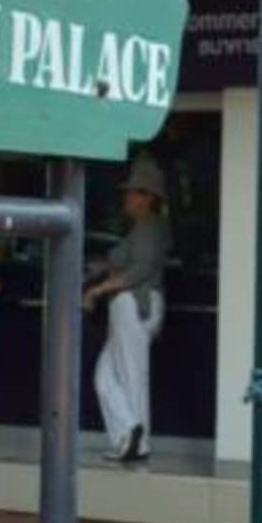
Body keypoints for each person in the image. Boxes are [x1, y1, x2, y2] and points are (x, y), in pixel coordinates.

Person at [88, 156, 171, 465]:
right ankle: (130, 432)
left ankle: (138, 441)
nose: (126, 197)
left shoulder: (151, 227)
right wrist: (100, 268)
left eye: (132, 192)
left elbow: (140, 270)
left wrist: (98, 289)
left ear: (147, 197)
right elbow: (124, 262)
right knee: (105, 377)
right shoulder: (142, 228)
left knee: (130, 375)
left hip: (135, 304)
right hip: (129, 305)